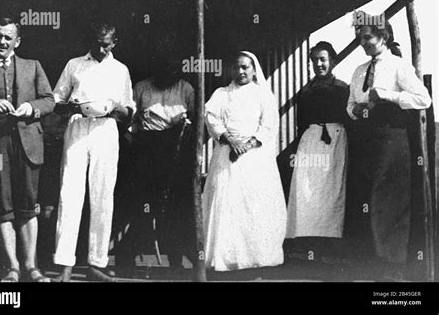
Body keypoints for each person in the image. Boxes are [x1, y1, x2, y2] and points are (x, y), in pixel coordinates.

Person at [345, 18, 431, 281]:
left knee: (391, 202)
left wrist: (388, 95)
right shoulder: (359, 70)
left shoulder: (398, 66)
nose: (363, 43)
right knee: (366, 199)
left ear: (383, 36)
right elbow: (350, 104)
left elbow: (423, 99)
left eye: (368, 37)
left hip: (392, 140)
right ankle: (373, 260)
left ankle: (393, 268)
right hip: (365, 141)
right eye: (360, 38)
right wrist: (355, 110)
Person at [0, 17, 55, 282]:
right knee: (2, 206)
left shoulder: (33, 66)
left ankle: (32, 267)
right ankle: (13, 268)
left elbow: (50, 100)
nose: (2, 42)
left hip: (28, 141)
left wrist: (31, 108)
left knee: (29, 205)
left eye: (8, 37)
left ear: (17, 42)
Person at [52, 23, 135, 282]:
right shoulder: (74, 65)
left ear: (114, 42)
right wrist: (71, 107)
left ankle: (96, 263)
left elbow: (129, 110)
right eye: (97, 42)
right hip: (77, 127)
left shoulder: (120, 70)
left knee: (102, 195)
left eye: (106, 44)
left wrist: (115, 110)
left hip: (106, 130)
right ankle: (64, 264)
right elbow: (56, 100)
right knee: (70, 193)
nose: (101, 48)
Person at [203, 51, 286, 271]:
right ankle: (226, 260)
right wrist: (230, 141)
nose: (240, 72)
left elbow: (268, 125)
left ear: (253, 69)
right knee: (226, 204)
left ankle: (255, 257)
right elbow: (211, 118)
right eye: (237, 67)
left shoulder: (263, 95)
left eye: (245, 67)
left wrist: (246, 145)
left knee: (253, 205)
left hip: (254, 158)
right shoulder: (221, 94)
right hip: (226, 155)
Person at [120, 54, 195, 270]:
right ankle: (129, 258)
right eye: (164, 68)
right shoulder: (142, 88)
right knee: (142, 205)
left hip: (176, 150)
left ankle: (175, 259)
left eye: (173, 69)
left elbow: (196, 121)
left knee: (174, 207)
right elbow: (130, 121)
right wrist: (134, 141)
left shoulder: (186, 89)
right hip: (147, 150)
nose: (168, 73)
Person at [285, 42, 349, 262]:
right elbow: (301, 123)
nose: (319, 64)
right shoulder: (305, 91)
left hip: (335, 140)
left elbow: (349, 118)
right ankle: (308, 244)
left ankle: (332, 245)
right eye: (314, 60)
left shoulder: (343, 89)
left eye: (323, 59)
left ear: (332, 60)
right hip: (310, 141)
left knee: (332, 191)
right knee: (307, 191)